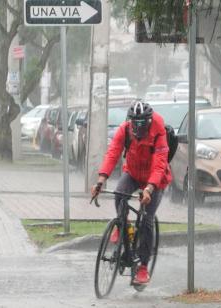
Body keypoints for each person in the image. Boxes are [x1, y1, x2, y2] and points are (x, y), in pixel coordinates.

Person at [91, 100, 171, 285]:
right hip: (133, 173)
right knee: (119, 194)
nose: (139, 127)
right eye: (136, 123)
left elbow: (160, 164)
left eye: (143, 123)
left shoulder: (159, 132)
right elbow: (112, 153)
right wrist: (101, 180)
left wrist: (149, 189)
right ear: (131, 121)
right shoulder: (124, 130)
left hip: (155, 179)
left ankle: (143, 267)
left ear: (149, 121)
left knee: (146, 220)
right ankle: (123, 226)